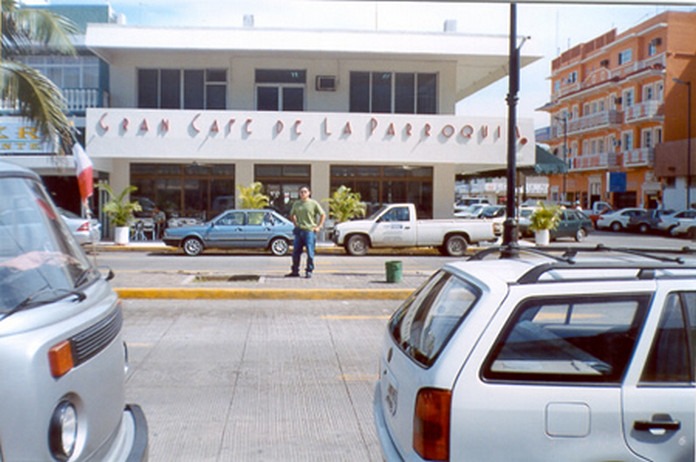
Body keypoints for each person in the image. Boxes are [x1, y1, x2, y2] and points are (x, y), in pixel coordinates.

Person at [285, 186, 326, 279]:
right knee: (295, 252)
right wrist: (295, 224)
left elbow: (323, 214)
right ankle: (295, 271)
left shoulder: (313, 203)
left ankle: (309, 271)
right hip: (299, 230)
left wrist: (319, 226)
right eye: (301, 192)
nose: (303, 194)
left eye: (305, 192)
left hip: (309, 231)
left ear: (309, 193)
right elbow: (292, 214)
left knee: (310, 253)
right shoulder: (297, 204)